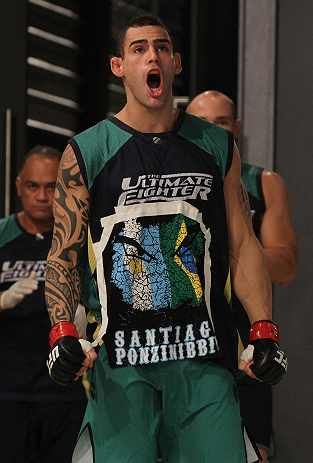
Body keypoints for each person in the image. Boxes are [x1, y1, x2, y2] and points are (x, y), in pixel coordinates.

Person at [45, 15, 288, 463]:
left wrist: (263, 329)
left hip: (203, 359)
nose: (151, 55)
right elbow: (63, 253)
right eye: (138, 48)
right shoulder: (86, 150)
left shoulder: (217, 145)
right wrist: (61, 332)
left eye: (161, 47)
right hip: (121, 363)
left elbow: (242, 243)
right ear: (119, 67)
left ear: (175, 63)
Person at [187, 90, 298, 462]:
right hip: (186, 345)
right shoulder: (170, 180)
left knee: (254, 454)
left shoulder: (262, 182)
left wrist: (236, 246)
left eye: (220, 122)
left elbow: (285, 267)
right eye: (201, 121)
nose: (211, 130)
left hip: (246, 346)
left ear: (235, 128)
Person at [0, 146, 88, 463]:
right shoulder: (2, 236)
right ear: (19, 186)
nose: (41, 196)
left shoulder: (79, 242)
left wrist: (86, 324)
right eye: (33, 186)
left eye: (51, 187)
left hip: (65, 391)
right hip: (8, 391)